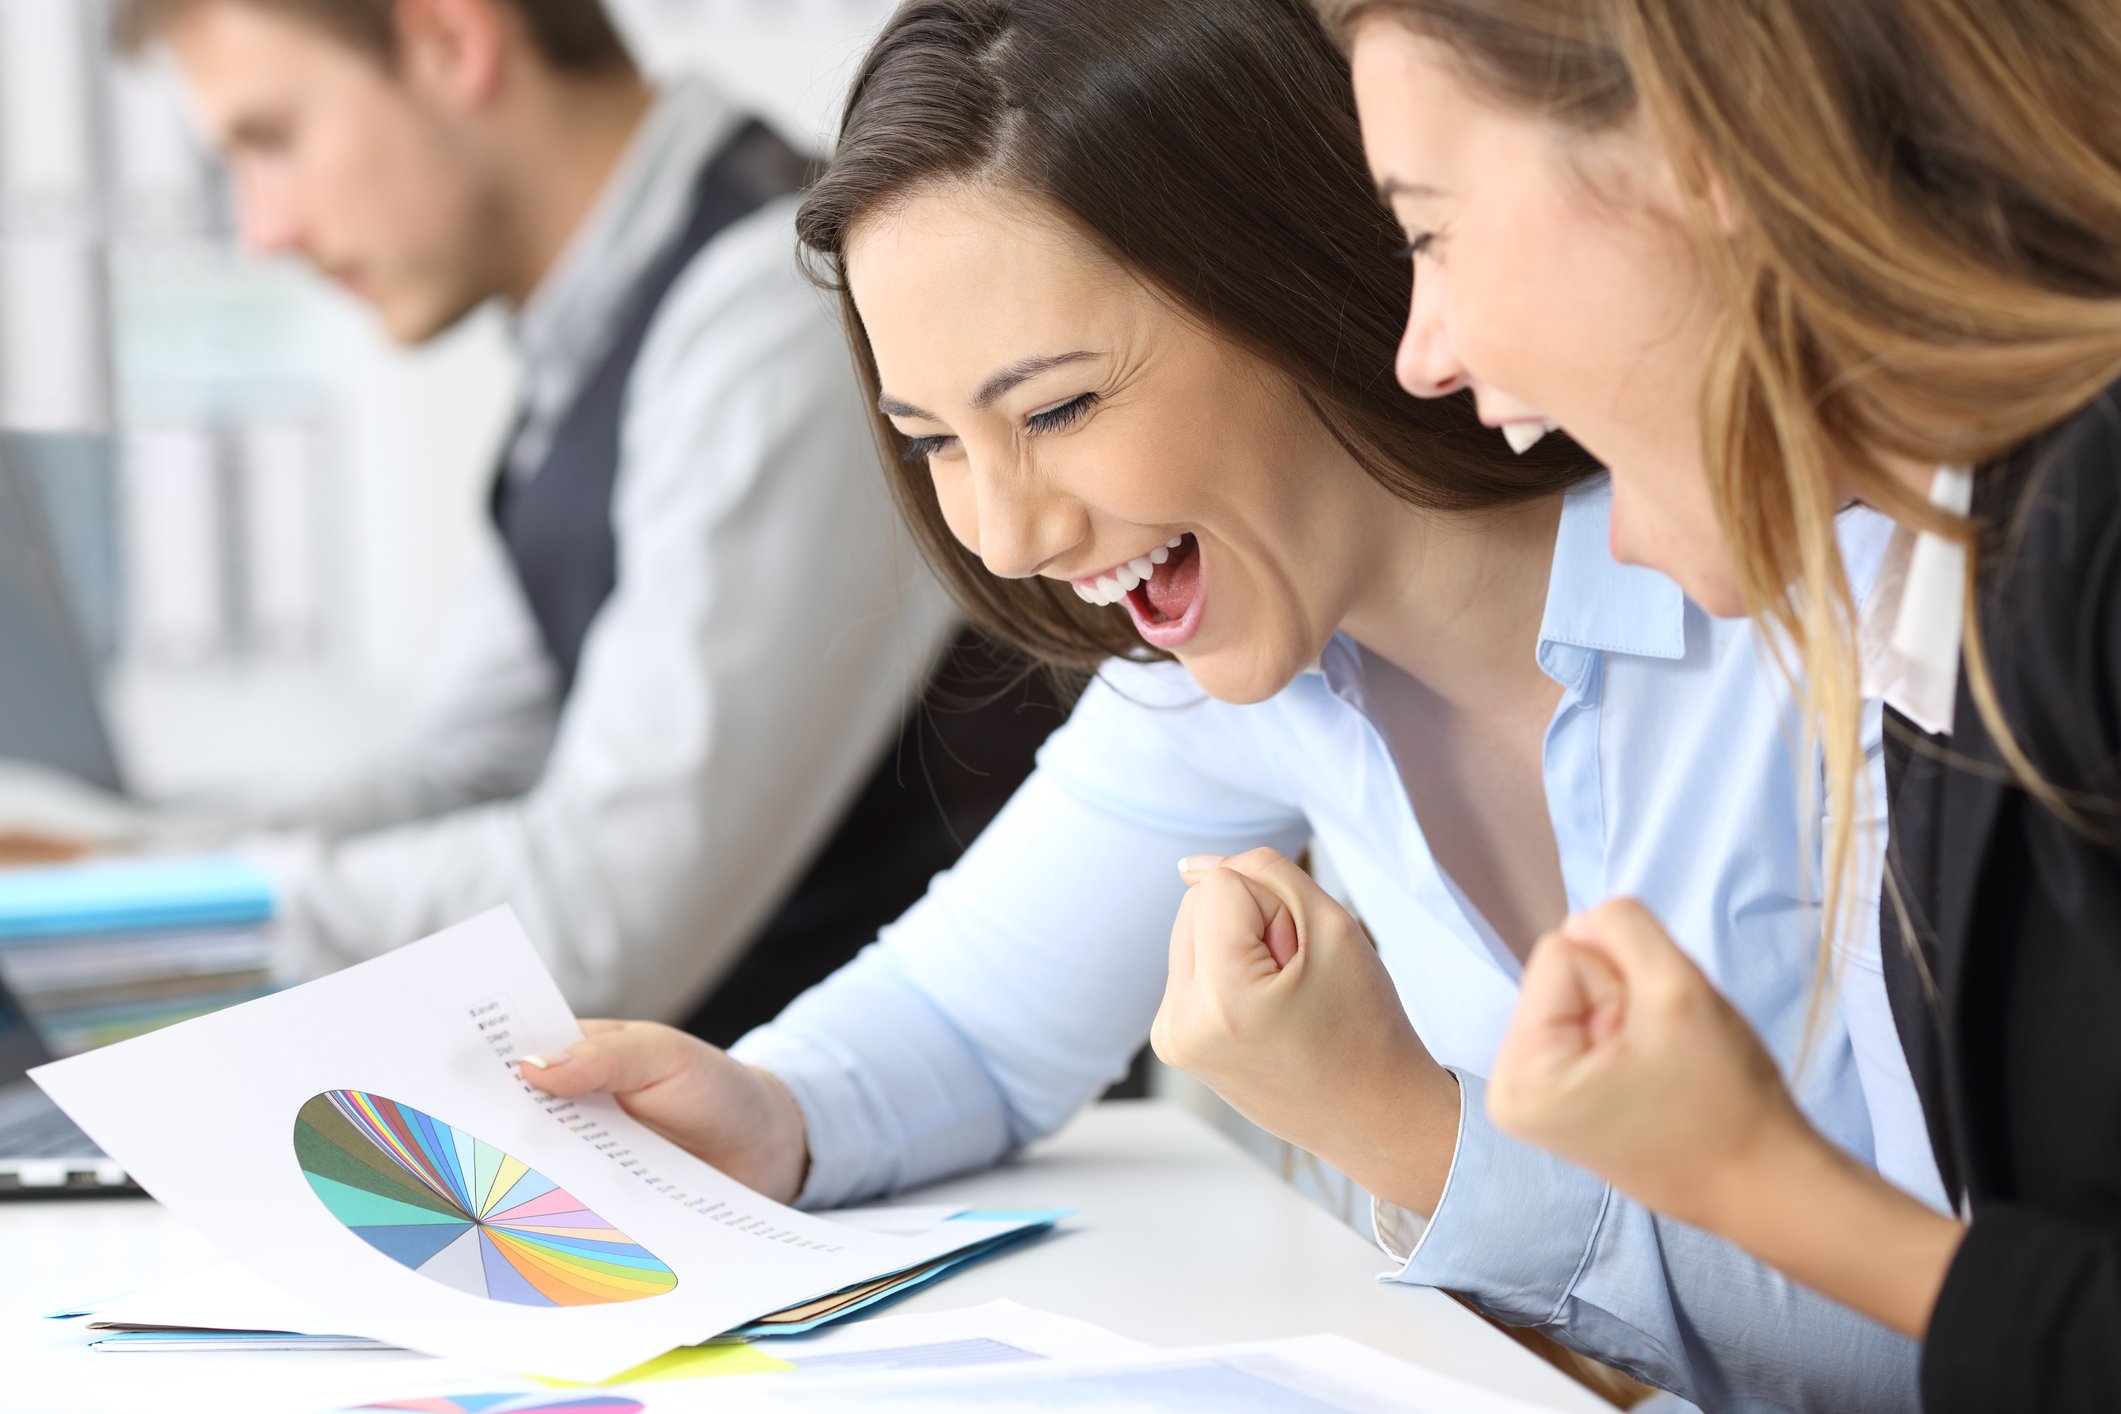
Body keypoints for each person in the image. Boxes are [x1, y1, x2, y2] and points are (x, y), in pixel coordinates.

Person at [518, 1, 1936, 1407]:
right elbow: (968, 1017)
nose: (1004, 537)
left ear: (1301, 278)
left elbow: (1970, 1330)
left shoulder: (1834, 612)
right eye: (935, 440)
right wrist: (770, 1115)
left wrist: (1401, 1124)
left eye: (1059, 409)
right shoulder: (1251, 673)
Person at [1322, 1, 2121, 1409]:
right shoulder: (1950, 588)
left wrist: (1750, 1173)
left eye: (1431, 231)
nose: (1420, 352)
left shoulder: (2083, 557)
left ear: (1701, 150)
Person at [102, 0, 1053, 1036]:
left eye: (271, 140)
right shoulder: (591, 338)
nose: (262, 233)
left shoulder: (778, 309)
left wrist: (158, 925)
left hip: (895, 1143)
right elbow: (464, 767)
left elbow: (604, 914)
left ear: (451, 40)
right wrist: (119, 877)